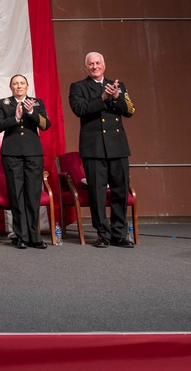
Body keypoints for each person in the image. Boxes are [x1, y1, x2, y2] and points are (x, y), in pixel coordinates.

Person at [68, 51, 135, 249]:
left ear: (104, 65)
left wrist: (116, 97)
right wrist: (104, 97)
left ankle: (119, 234)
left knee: (120, 191)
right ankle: (103, 234)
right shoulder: (78, 87)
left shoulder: (119, 86)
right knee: (97, 194)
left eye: (98, 63)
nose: (94, 66)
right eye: (91, 64)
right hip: (94, 147)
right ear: (86, 67)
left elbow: (130, 111)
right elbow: (80, 109)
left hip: (117, 146)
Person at [0, 74, 50, 250]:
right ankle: (21, 236)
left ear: (27, 86)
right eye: (15, 84)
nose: (19, 86)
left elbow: (45, 125)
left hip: (33, 153)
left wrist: (31, 112)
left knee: (32, 194)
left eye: (22, 83)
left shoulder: (36, 102)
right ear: (11, 87)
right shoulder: (4, 104)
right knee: (16, 195)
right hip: (12, 153)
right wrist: (15, 119)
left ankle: (34, 235)